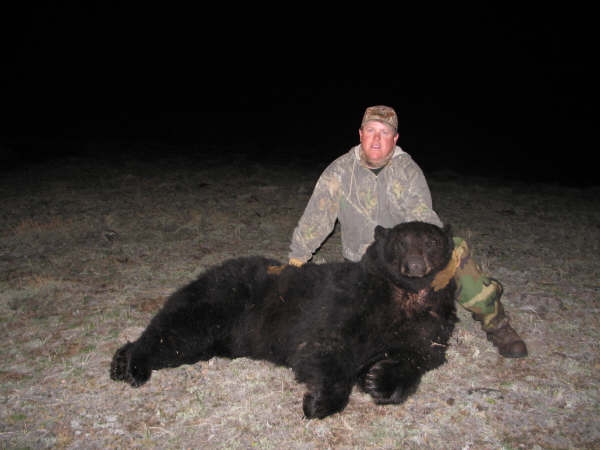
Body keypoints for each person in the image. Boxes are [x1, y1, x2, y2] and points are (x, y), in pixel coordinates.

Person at [286, 105, 527, 358]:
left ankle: (497, 324)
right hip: (363, 265)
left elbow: (424, 223)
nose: (377, 139)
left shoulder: (407, 171)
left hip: (405, 263)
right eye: (371, 131)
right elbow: (316, 218)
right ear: (360, 134)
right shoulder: (339, 171)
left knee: (456, 249)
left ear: (395, 138)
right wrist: (296, 261)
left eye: (385, 132)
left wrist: (425, 268)